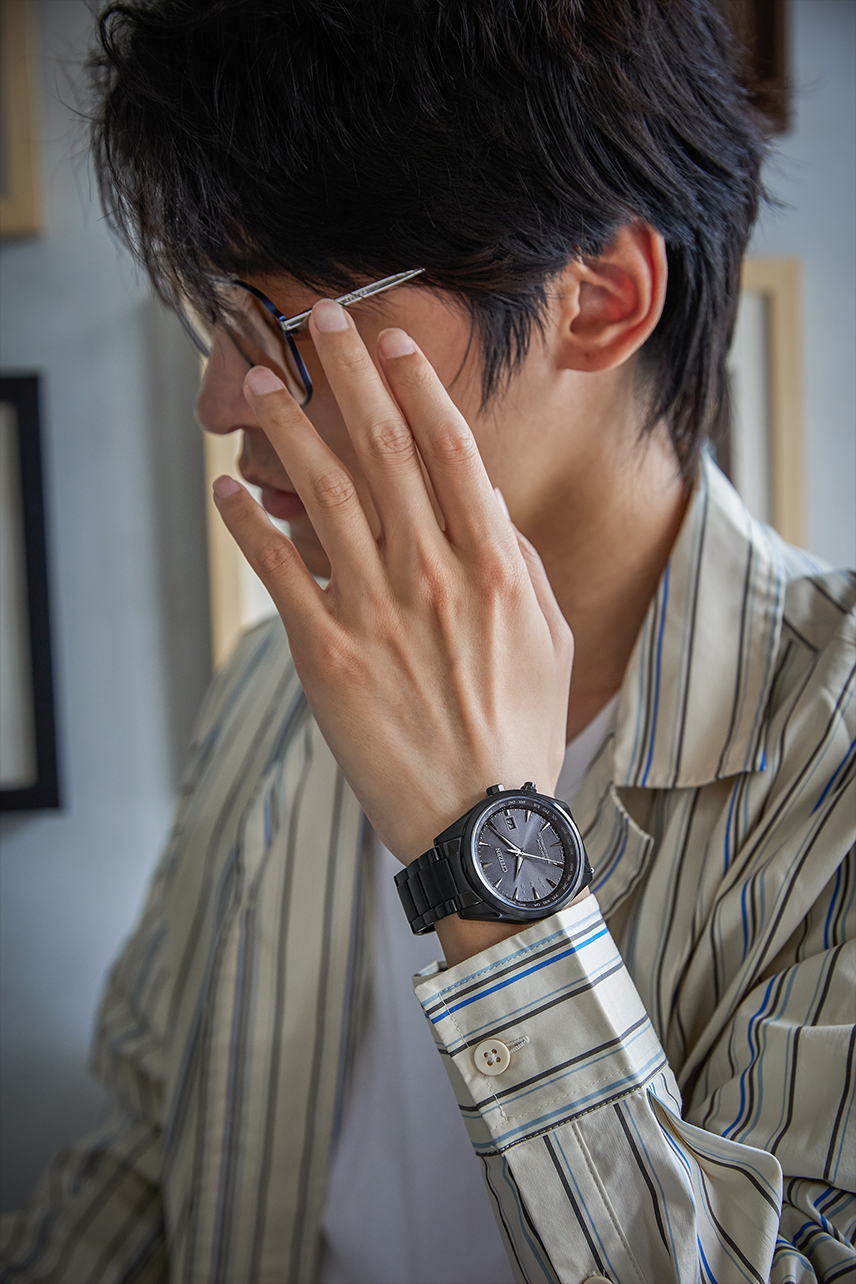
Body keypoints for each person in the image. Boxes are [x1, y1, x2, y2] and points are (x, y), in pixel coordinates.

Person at [1, 0, 854, 1281]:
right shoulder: (274, 683)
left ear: (600, 299)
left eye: (282, 324)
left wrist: (485, 850)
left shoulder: (833, 755)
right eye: (217, 312)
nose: (222, 395)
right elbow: (144, 1156)